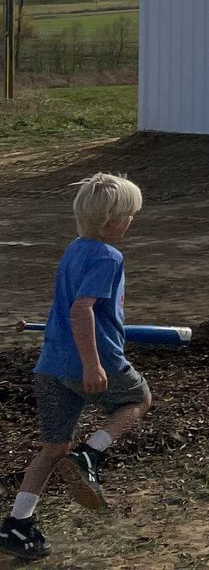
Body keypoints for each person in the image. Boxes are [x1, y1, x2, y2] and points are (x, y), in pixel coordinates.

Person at [2, 173, 152, 562]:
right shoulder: (108, 256)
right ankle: (91, 454)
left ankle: (18, 523)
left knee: (53, 447)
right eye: (129, 215)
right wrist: (92, 365)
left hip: (50, 364)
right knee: (138, 400)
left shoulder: (74, 249)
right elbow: (80, 308)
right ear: (111, 221)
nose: (131, 222)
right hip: (91, 359)